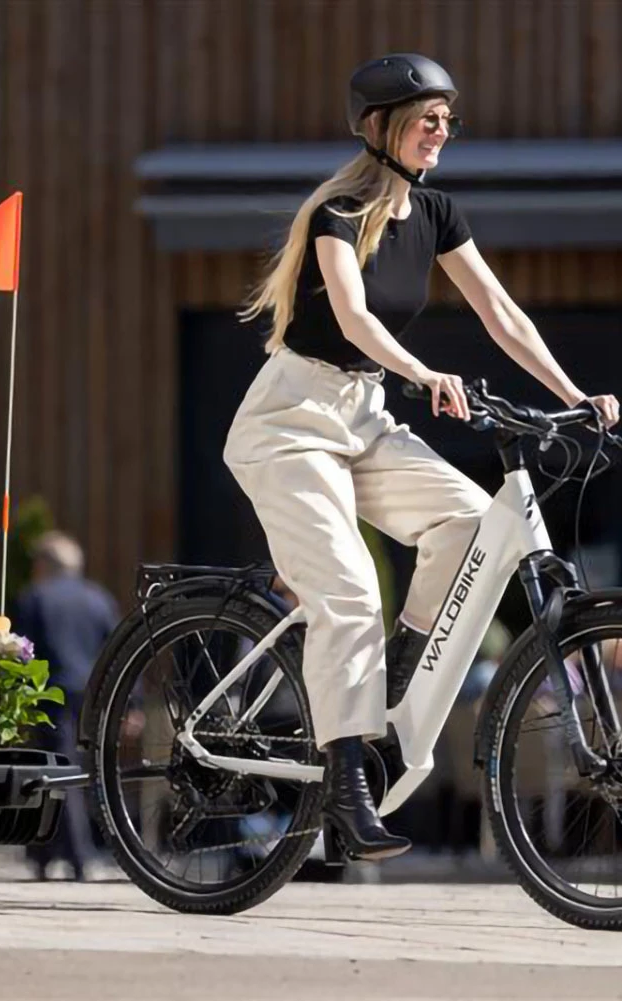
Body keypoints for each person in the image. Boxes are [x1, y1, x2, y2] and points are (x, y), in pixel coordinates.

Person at [223, 53, 619, 861]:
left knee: (471, 520)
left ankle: (397, 667)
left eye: (447, 118)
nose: (441, 131)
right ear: (379, 127)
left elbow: (500, 312)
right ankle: (343, 788)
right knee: (348, 590)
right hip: (290, 420)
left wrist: (573, 393)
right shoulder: (337, 212)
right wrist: (421, 371)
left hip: (361, 416)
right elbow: (353, 314)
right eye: (425, 117)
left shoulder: (435, 212)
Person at [12, 531, 120, 880]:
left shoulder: (35, 597)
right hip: (95, 695)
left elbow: (23, 652)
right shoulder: (99, 599)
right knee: (88, 772)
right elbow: (116, 652)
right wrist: (128, 704)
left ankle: (73, 856)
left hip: (53, 693)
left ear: (43, 564)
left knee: (55, 773)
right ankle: (61, 854)